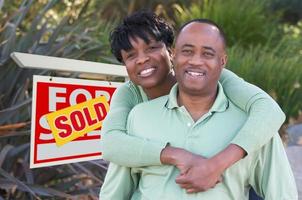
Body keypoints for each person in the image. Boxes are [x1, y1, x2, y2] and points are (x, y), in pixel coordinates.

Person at [101, 19, 298, 199]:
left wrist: (214, 166)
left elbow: (269, 110)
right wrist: (176, 155)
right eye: (131, 55)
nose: (142, 59)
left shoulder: (219, 80)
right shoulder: (135, 108)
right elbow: (112, 145)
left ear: (170, 52)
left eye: (151, 48)